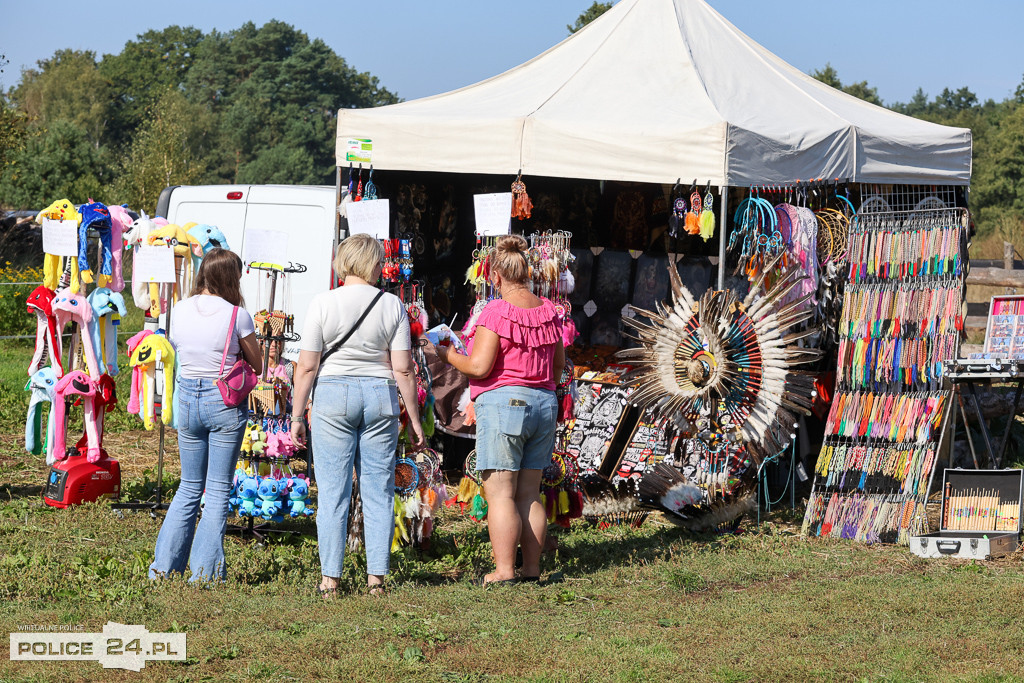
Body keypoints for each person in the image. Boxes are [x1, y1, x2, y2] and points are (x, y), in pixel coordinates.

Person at [290, 233, 425, 598]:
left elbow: (306, 366)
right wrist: (413, 419)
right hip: (380, 396)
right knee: (378, 490)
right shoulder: (392, 305)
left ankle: (330, 579)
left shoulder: (322, 302)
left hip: (333, 394)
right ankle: (376, 579)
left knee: (333, 491)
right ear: (374, 264)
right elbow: (404, 369)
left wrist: (297, 414)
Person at [439, 234, 564, 585]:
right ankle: (532, 569)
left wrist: (445, 354)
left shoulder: (496, 311)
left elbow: (479, 367)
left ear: (494, 276)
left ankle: (505, 570)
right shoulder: (549, 312)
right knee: (530, 493)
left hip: (506, 405)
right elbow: (557, 370)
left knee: (501, 494)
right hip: (544, 403)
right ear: (527, 272)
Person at [150, 248, 263, 582]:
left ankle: (164, 568)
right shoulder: (236, 315)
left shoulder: (178, 310)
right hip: (223, 402)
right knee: (215, 492)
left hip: (186, 397)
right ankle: (203, 574)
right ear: (230, 277)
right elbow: (259, 365)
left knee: (188, 487)